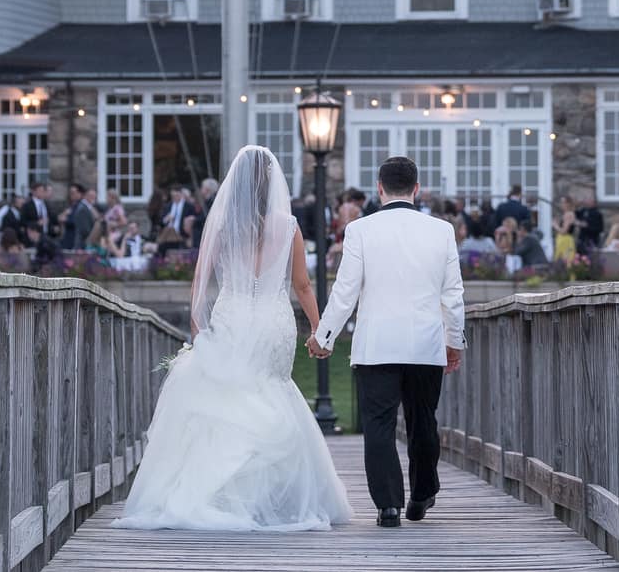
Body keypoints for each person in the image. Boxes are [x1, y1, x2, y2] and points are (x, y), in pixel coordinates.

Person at [116, 145, 351, 532]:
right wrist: (319, 330)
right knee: (272, 394)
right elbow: (303, 285)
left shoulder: (223, 225)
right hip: (273, 320)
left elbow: (200, 283)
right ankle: (273, 499)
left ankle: (222, 492)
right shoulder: (288, 226)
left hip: (233, 315)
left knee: (229, 399)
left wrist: (197, 327)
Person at [312, 155, 466, 529]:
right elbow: (453, 294)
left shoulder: (360, 230)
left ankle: (389, 505)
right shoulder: (441, 230)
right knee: (422, 420)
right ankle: (423, 493)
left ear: (379, 189)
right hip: (425, 344)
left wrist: (324, 335)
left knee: (378, 424)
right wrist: (454, 340)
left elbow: (346, 291)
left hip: (377, 344)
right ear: (417, 188)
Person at [61, 182, 99, 252]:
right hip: (70, 239)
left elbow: (84, 228)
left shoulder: (82, 207)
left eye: (73, 193)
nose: (71, 195)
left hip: (78, 241)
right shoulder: (75, 206)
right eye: (70, 193)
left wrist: (65, 220)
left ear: (81, 194)